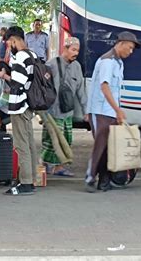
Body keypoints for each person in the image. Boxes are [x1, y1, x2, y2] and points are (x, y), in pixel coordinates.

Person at [85, 31, 141, 193]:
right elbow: (104, 87)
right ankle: (91, 177)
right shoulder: (107, 62)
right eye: (129, 48)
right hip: (100, 110)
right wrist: (118, 110)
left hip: (110, 111)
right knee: (100, 146)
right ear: (121, 43)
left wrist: (117, 110)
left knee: (109, 147)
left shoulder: (118, 63)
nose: (130, 52)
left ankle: (104, 181)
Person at [0, 26, 38, 196]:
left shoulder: (20, 56)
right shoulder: (33, 55)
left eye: (9, 43)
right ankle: (31, 178)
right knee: (29, 143)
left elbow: (18, 82)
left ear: (14, 40)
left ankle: (26, 182)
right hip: (28, 105)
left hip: (19, 105)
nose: (9, 47)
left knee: (21, 145)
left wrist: (5, 76)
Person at [42, 37, 87, 177]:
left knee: (66, 139)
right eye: (73, 50)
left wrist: (86, 111)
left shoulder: (77, 66)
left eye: (77, 50)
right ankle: (48, 165)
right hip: (52, 111)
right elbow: (43, 87)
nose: (76, 53)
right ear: (65, 49)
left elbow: (81, 90)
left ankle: (57, 166)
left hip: (67, 111)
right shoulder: (51, 65)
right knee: (51, 139)